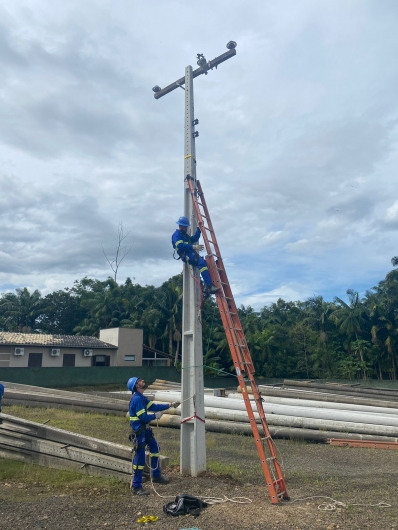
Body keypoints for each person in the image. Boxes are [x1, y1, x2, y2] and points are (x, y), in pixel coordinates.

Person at [127, 377, 180, 496]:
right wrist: (155, 416)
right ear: (136, 386)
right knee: (140, 459)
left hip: (146, 431)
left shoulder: (142, 398)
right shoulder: (137, 400)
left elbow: (153, 406)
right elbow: (143, 418)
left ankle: (156, 476)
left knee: (155, 449)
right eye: (139, 381)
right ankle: (137, 486)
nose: (142, 381)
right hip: (139, 433)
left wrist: (170, 405)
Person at [172, 216, 220, 296]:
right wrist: (193, 247)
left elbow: (193, 239)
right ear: (180, 226)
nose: (186, 229)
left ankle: (207, 285)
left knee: (204, 263)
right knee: (201, 262)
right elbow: (180, 246)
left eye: (187, 227)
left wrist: (199, 229)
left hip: (190, 252)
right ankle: (208, 286)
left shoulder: (184, 235)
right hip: (185, 254)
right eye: (185, 227)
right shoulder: (176, 235)